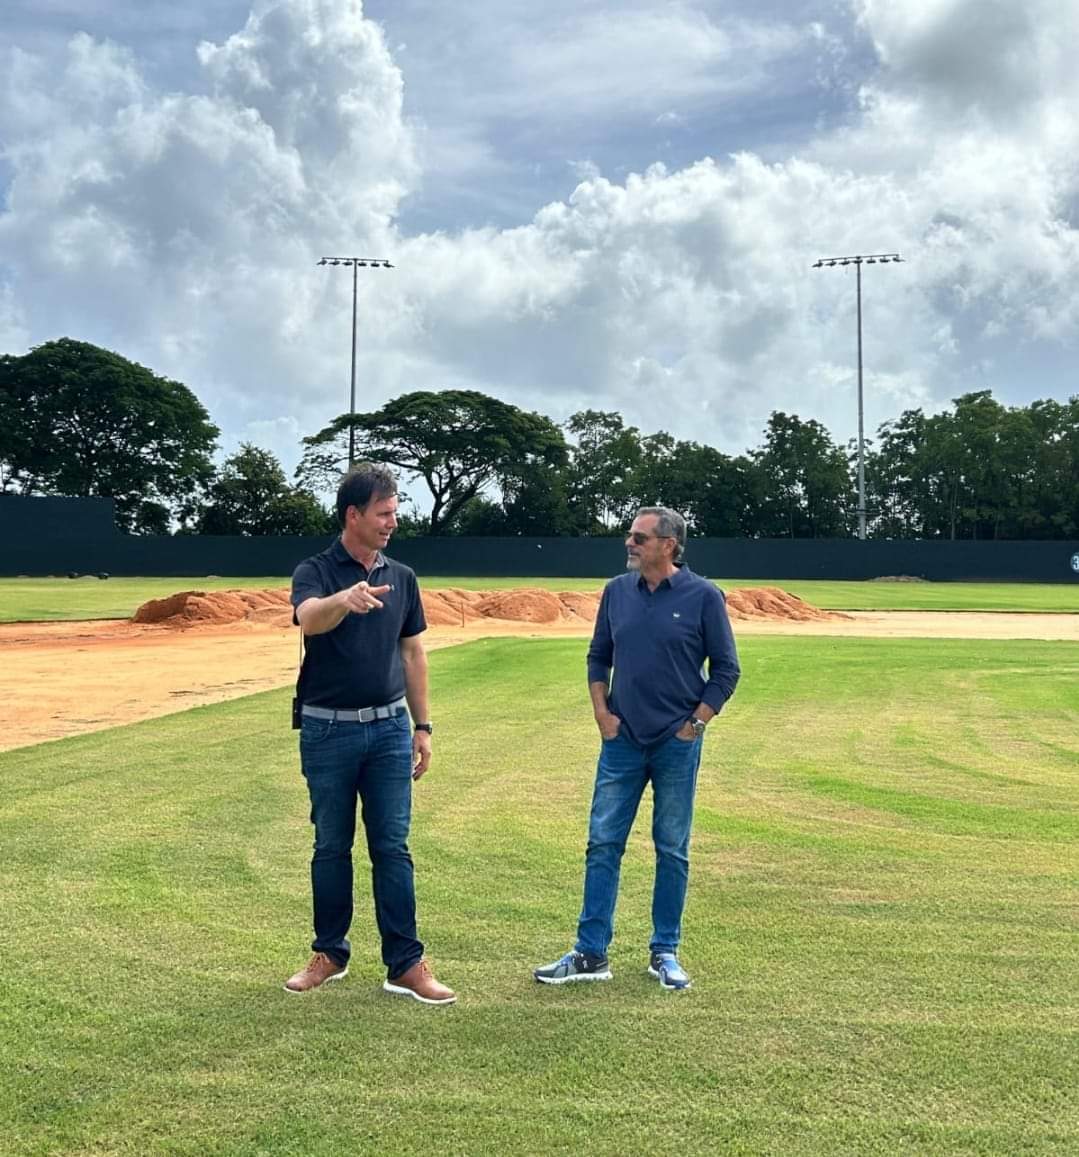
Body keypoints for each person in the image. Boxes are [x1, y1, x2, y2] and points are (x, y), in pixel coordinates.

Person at [534, 506, 740, 991]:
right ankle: (590, 953)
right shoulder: (615, 592)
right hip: (621, 742)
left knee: (672, 848)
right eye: (630, 536)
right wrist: (601, 713)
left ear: (669, 545)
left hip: (676, 743)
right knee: (602, 844)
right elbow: (598, 655)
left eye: (639, 537)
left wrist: (695, 725)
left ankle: (664, 951)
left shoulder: (704, 597)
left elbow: (726, 672)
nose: (629, 543)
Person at [284, 463, 455, 1005]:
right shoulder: (314, 570)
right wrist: (345, 600)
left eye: (395, 513)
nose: (392, 523)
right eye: (383, 513)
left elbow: (412, 652)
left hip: (388, 732)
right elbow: (308, 617)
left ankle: (405, 964)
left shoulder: (402, 577)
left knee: (393, 847)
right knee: (331, 845)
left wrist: (422, 726)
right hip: (326, 730)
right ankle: (329, 954)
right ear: (352, 515)